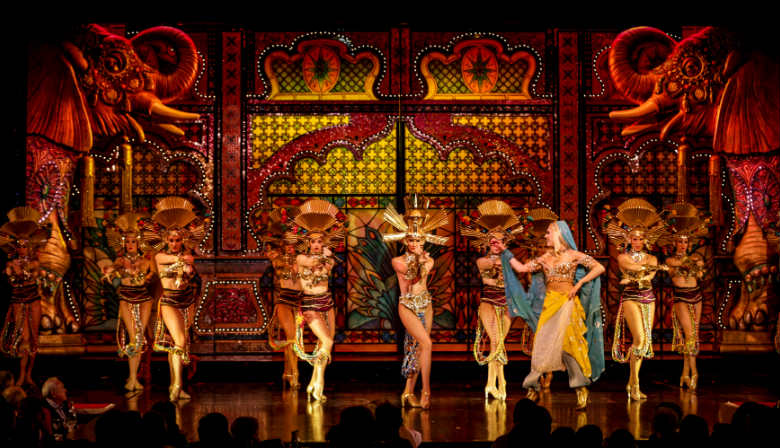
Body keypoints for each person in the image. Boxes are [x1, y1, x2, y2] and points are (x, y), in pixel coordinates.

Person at [502, 220, 605, 410]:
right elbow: (522, 269)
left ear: (559, 234)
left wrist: (579, 284)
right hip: (550, 305)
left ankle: (580, 387)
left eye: (549, 232)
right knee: (542, 344)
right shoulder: (544, 258)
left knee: (568, 345)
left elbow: (599, 268)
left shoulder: (574, 255)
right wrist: (505, 252)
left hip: (567, 303)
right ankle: (533, 386)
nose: (546, 236)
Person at [382, 194, 449, 410]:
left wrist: (425, 262)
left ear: (424, 240)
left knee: (418, 348)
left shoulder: (429, 259)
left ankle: (408, 391)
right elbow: (413, 278)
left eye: (419, 240)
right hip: (408, 305)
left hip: (425, 304)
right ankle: (426, 391)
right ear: (404, 240)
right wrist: (421, 262)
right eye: (411, 240)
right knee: (426, 343)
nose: (414, 244)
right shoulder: (397, 261)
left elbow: (425, 274)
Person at [460, 200, 524, 400]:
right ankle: (499, 382)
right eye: (492, 240)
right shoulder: (482, 261)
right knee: (495, 340)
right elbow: (491, 280)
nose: (496, 243)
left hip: (506, 304)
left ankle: (492, 384)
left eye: (500, 240)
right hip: (488, 302)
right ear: (487, 242)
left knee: (499, 343)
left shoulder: (510, 260)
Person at [604, 199, 667, 401]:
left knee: (644, 343)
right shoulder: (623, 257)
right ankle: (635, 384)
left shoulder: (652, 257)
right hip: (631, 297)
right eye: (633, 238)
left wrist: (646, 272)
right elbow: (632, 268)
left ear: (645, 240)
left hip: (648, 297)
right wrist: (645, 270)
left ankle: (632, 382)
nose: (637, 242)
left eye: (640, 239)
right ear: (628, 239)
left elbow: (649, 276)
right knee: (639, 339)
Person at [144, 197, 204, 401]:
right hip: (169, 301)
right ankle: (177, 385)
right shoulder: (160, 256)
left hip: (187, 300)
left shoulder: (187, 257)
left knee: (181, 343)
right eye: (171, 240)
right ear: (165, 241)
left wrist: (188, 267)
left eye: (178, 240)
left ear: (183, 240)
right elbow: (168, 260)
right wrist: (184, 260)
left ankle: (176, 383)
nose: (175, 244)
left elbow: (189, 275)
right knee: (179, 340)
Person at [288, 199, 345, 402]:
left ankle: (313, 383)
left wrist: (327, 257)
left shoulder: (328, 260)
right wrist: (325, 256)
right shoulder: (301, 259)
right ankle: (318, 383)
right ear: (307, 243)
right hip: (310, 305)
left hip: (327, 303)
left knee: (325, 344)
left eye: (320, 241)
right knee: (327, 340)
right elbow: (312, 263)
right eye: (313, 242)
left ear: (324, 242)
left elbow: (326, 266)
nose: (316, 245)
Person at [103, 212, 155, 391]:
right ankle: (132, 377)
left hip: (144, 299)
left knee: (139, 338)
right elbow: (110, 270)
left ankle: (134, 378)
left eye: (133, 241)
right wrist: (111, 272)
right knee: (133, 337)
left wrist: (142, 274)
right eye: (127, 241)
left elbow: (150, 276)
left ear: (139, 242)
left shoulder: (145, 261)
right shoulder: (120, 260)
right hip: (126, 298)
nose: (130, 244)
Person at [662, 202, 708, 391]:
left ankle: (684, 373)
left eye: (685, 242)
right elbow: (673, 276)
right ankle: (694, 372)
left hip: (696, 296)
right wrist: (683, 265)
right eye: (680, 242)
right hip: (681, 298)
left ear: (690, 243)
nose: (683, 245)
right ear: (675, 243)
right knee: (689, 335)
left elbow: (700, 275)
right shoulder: (670, 260)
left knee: (694, 335)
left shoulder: (697, 258)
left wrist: (694, 266)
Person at [0, 207, 47, 387]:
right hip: (18, 300)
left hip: (33, 299)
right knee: (24, 338)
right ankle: (21, 375)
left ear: (30, 246)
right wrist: (14, 271)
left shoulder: (35, 262)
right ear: (15, 247)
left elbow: (36, 274)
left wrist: (28, 271)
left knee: (34, 338)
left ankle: (28, 375)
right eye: (19, 246)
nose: (22, 249)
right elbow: (12, 278)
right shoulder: (11, 263)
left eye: (25, 245)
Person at [262, 208, 302, 389]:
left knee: (294, 339)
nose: (290, 245)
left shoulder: (302, 258)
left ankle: (287, 372)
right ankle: (295, 375)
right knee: (292, 338)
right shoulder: (276, 257)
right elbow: (266, 245)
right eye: (287, 241)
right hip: (284, 301)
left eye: (294, 241)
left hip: (301, 301)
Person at [41, 377, 77, 442]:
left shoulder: (64, 405)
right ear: (53, 393)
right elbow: (50, 435)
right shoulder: (44, 409)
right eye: (62, 388)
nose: (65, 390)